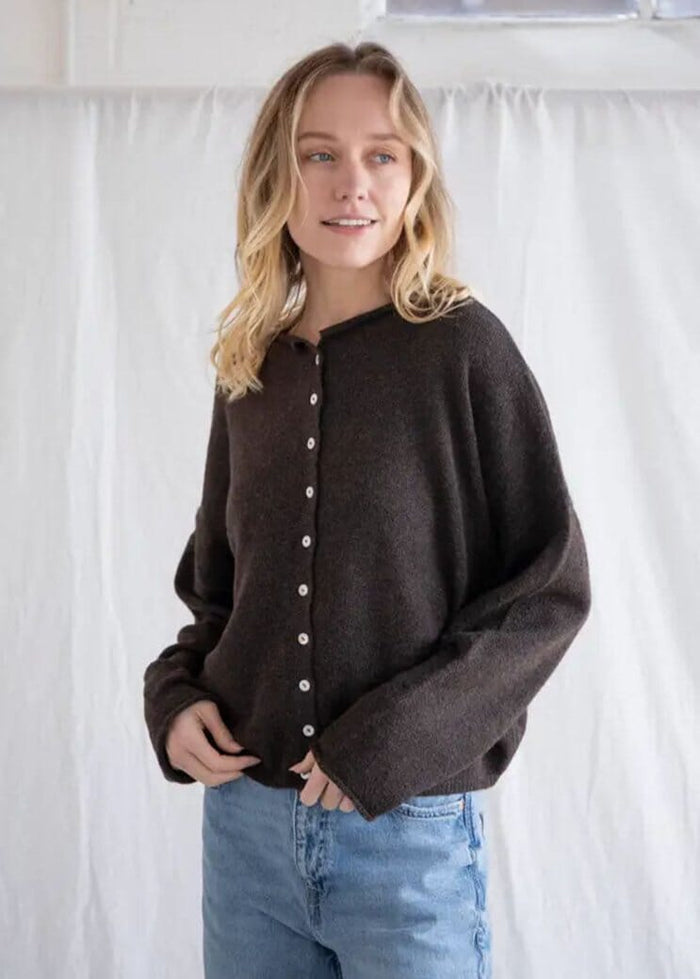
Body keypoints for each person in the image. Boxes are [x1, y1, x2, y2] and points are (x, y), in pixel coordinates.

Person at [142, 41, 592, 979]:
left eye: (381, 154)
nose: (352, 183)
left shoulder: (463, 350)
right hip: (247, 836)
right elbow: (217, 596)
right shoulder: (250, 370)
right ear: (277, 174)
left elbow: (546, 594)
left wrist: (390, 743)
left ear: (415, 175)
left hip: (408, 838)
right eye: (320, 154)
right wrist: (175, 702)